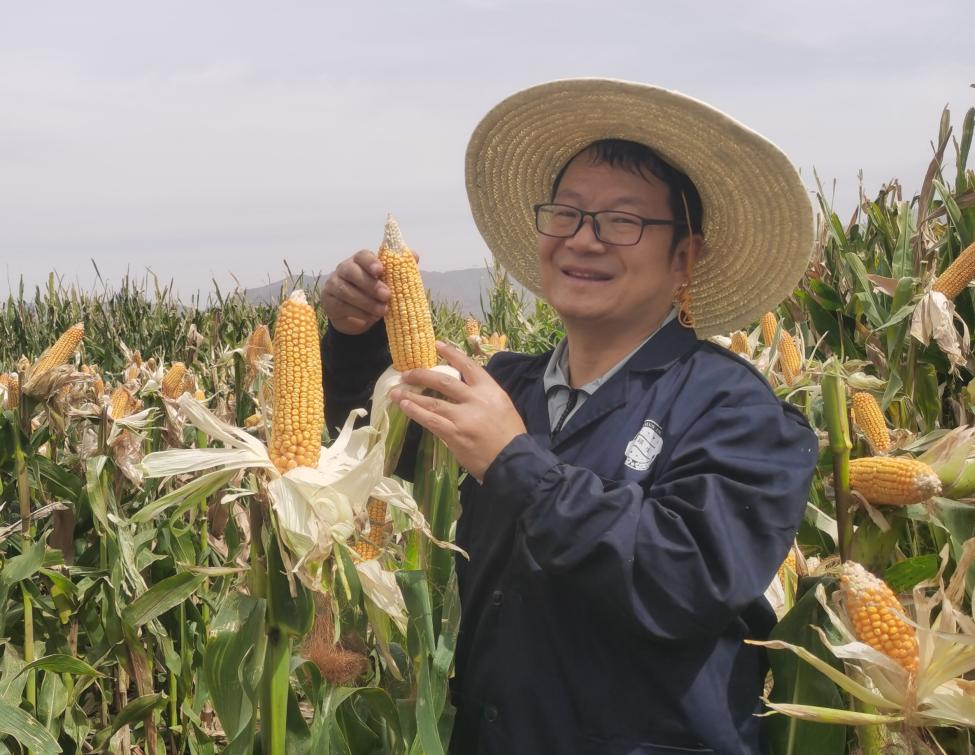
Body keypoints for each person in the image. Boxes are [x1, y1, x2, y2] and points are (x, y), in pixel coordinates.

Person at [321, 79, 818, 755]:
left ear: (684, 255)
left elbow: (686, 581)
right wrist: (352, 336)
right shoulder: (502, 384)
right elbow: (369, 436)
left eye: (622, 221)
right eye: (566, 214)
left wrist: (515, 461)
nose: (584, 240)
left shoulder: (737, 411)